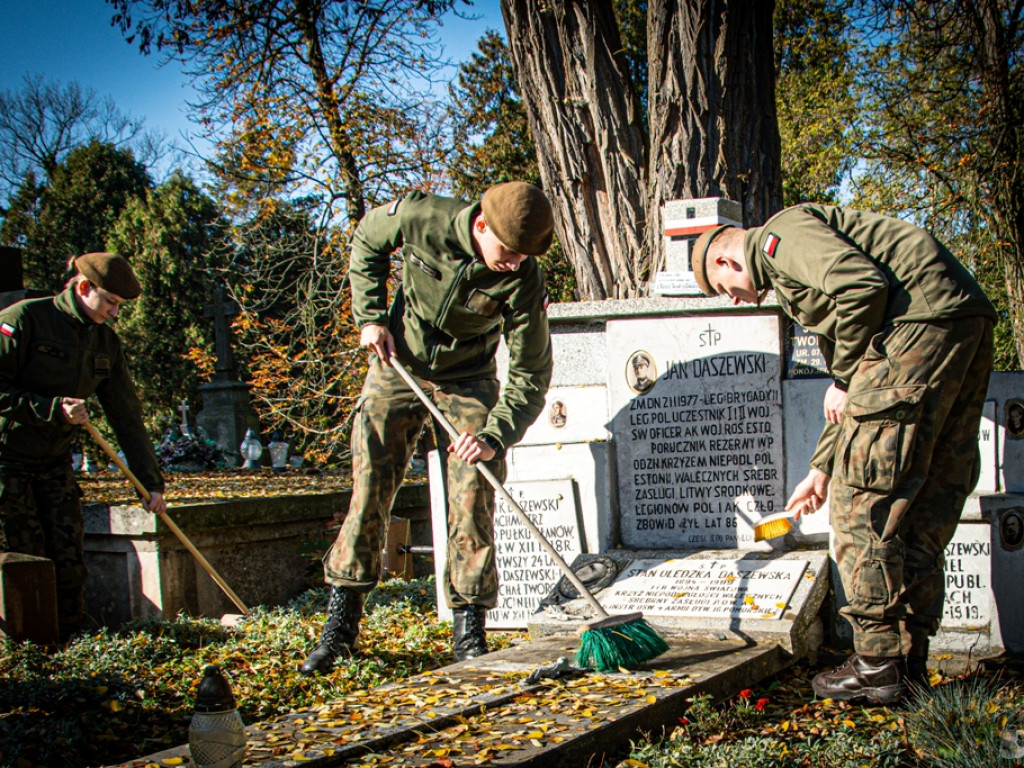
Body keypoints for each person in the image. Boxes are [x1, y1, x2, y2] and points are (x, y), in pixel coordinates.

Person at [691, 205, 995, 704]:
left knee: (862, 508)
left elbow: (862, 287)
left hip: (915, 323)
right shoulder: (793, 271)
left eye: (723, 288)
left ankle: (877, 663)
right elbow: (854, 404)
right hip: (959, 319)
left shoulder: (781, 237)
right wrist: (821, 467)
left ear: (726, 261)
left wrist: (843, 378)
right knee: (919, 505)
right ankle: (907, 661)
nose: (734, 297)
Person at [300, 182, 555, 674]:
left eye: (525, 256)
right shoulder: (423, 216)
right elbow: (367, 242)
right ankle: (341, 626)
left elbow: (531, 372)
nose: (516, 263)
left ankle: (469, 630)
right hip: (398, 364)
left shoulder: (524, 277)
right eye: (508, 252)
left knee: (473, 491)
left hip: (469, 381)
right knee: (370, 481)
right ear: (481, 226)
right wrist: (371, 317)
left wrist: (493, 435)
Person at [0, 253, 166, 641]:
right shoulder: (24, 320)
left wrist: (150, 482)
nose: (114, 313)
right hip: (6, 462)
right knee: (24, 562)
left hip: (54, 463)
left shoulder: (106, 342)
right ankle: (29, 661)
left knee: (69, 563)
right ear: (83, 287)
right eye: (110, 302)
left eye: (120, 306)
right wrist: (50, 408)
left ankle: (71, 651)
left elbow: (126, 414)